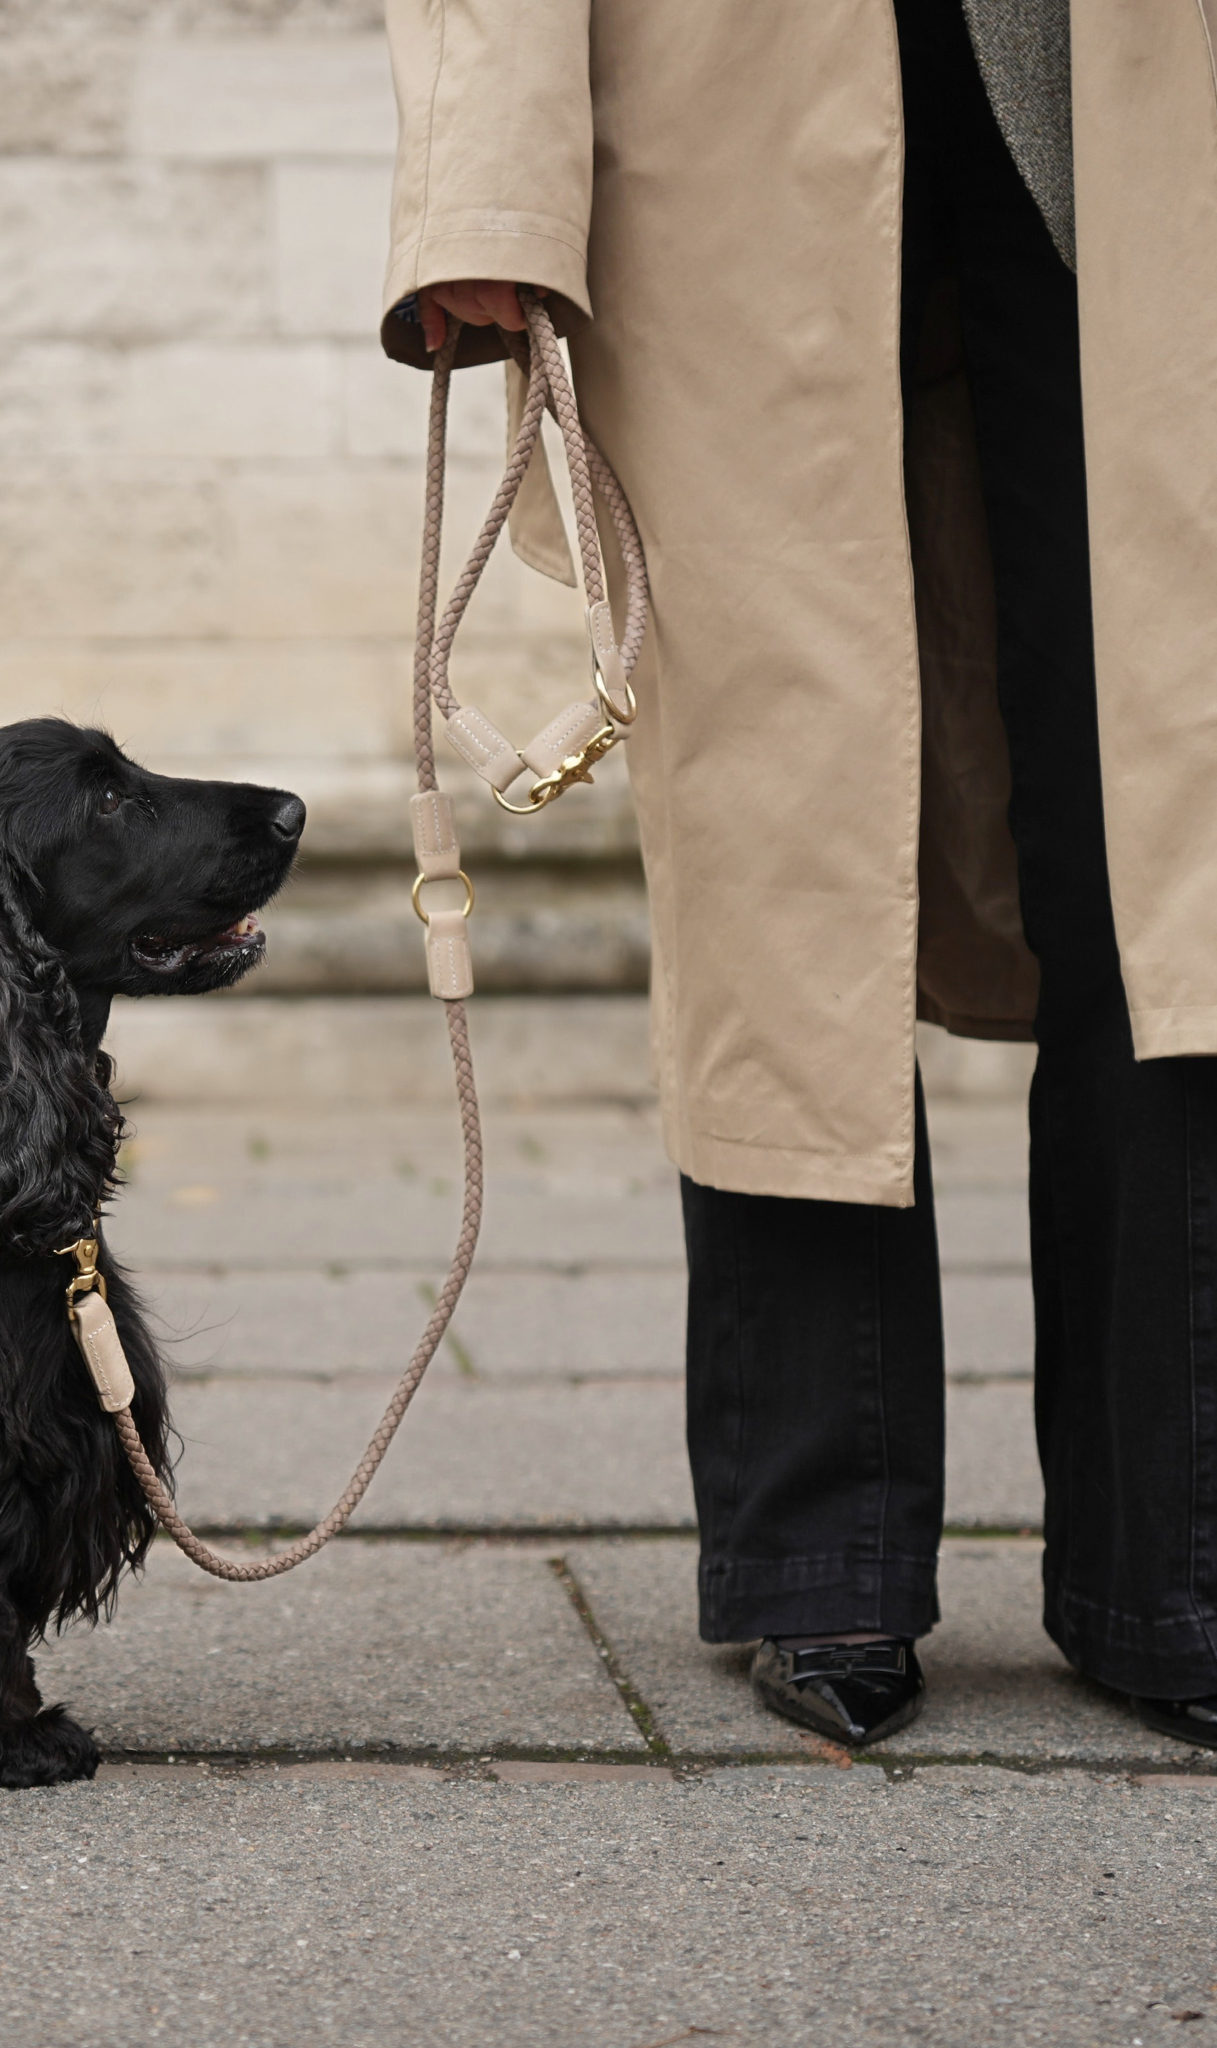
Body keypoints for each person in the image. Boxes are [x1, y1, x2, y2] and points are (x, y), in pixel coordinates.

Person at [379, 0, 1217, 1748]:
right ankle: (821, 1560)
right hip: (737, 105)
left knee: (1178, 831)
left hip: (1140, 99)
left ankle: (1177, 1567)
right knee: (778, 845)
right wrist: (482, 202)